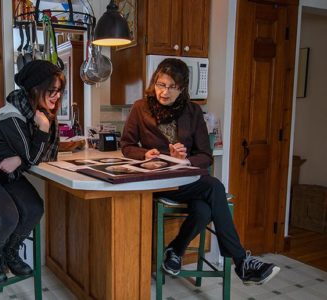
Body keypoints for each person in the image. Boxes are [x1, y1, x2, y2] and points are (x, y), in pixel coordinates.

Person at [120, 58, 280, 285]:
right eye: (160, 84)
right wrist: (145, 154)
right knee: (214, 187)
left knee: (204, 210)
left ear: (182, 88)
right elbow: (126, 146)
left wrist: (184, 160)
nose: (164, 92)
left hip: (187, 180)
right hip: (158, 182)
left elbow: (205, 155)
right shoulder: (140, 108)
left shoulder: (193, 112)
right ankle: (241, 261)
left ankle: (174, 251)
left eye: (172, 87)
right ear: (154, 82)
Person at [0, 60, 64, 284]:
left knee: (35, 208)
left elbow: (43, 155)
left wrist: (19, 159)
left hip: (9, 175)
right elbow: (35, 156)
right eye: (52, 90)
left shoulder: (39, 114)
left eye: (59, 91)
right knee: (9, 216)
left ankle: (10, 252)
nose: (56, 96)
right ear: (36, 88)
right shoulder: (11, 114)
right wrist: (42, 133)